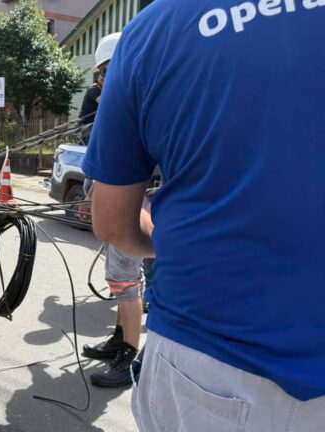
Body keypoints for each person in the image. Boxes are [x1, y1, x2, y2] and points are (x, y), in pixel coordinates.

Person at [83, 2, 325, 431]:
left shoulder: (155, 29)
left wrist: (177, 236)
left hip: (211, 357)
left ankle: (127, 346)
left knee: (126, 280)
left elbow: (112, 222)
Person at [82, 179, 145, 388]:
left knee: (125, 283)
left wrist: (99, 186)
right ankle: (121, 338)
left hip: (128, 206)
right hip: (123, 203)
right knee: (122, 280)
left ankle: (129, 356)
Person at [77, 33, 119, 144]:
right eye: (102, 73)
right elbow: (103, 101)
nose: (102, 77)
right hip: (87, 129)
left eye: (104, 72)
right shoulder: (93, 90)